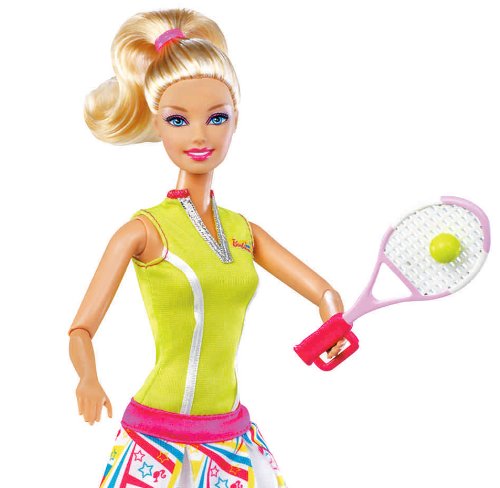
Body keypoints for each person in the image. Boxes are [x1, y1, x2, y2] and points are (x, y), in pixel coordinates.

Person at [68, 8, 344, 488]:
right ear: (157, 124)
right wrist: (87, 378)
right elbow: (81, 329)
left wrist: (333, 318)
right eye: (178, 120)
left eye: (217, 117)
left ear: (236, 120)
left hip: (231, 437)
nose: (199, 135)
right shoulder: (143, 232)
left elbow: (323, 293)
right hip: (159, 439)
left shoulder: (243, 231)